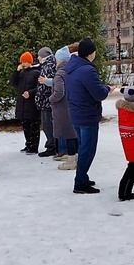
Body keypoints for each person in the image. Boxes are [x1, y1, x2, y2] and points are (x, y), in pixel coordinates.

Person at [65, 38, 113, 194]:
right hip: (87, 115)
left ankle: (83, 177)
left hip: (76, 114)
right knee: (88, 149)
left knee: (82, 147)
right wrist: (107, 88)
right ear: (91, 53)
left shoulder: (71, 68)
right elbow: (98, 94)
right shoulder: (87, 70)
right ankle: (80, 182)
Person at [49, 46, 79, 170]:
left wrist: (50, 99)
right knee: (73, 133)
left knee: (68, 133)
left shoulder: (59, 74)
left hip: (62, 109)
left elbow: (59, 92)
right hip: (71, 106)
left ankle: (71, 159)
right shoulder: (71, 71)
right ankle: (75, 157)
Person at [11, 51, 41, 154]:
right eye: (21, 62)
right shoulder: (22, 72)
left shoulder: (36, 72)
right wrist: (17, 72)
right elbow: (13, 83)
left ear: (29, 62)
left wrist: (30, 93)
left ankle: (34, 147)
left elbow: (40, 88)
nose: (22, 64)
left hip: (32, 104)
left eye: (24, 62)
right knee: (26, 126)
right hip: (22, 103)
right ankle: (28, 144)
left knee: (34, 127)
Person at [35, 47, 58, 157]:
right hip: (45, 99)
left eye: (39, 55)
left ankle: (52, 146)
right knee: (46, 124)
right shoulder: (46, 65)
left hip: (47, 100)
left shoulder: (49, 65)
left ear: (44, 56)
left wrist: (43, 95)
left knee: (47, 125)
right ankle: (51, 144)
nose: (38, 57)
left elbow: (49, 82)